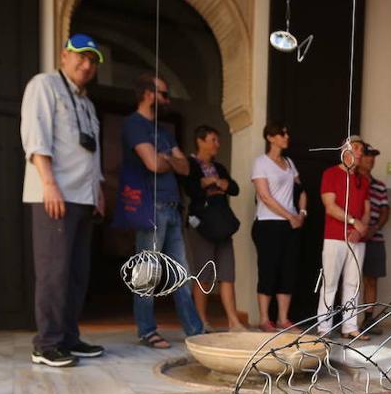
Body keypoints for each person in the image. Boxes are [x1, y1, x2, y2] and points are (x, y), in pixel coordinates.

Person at [19, 34, 107, 367]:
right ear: (64, 56)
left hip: (83, 197)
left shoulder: (87, 103)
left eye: (93, 60)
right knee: (54, 272)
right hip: (55, 194)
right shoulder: (44, 85)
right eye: (81, 56)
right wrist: (48, 184)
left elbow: (91, 153)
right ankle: (46, 343)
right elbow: (36, 137)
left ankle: (69, 337)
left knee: (77, 273)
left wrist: (98, 190)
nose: (87, 65)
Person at [124, 72, 204, 349]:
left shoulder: (165, 132)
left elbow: (186, 168)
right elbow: (153, 165)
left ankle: (195, 330)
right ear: (149, 94)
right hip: (151, 207)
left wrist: (165, 158)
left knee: (182, 273)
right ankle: (147, 330)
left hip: (173, 207)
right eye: (164, 94)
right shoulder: (134, 124)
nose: (167, 100)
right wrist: (169, 159)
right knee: (148, 273)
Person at [184, 124, 245, 332]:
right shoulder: (190, 164)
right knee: (203, 274)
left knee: (227, 273)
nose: (217, 144)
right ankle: (201, 322)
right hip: (202, 225)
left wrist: (217, 183)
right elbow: (190, 189)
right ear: (200, 141)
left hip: (222, 225)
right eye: (213, 140)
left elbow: (233, 188)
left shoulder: (219, 167)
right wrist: (205, 184)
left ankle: (234, 322)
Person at [251, 122, 306, 331]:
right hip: (267, 224)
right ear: (270, 138)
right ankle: (264, 318)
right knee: (268, 269)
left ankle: (283, 319)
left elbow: (301, 190)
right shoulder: (261, 163)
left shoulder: (289, 163)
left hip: (290, 225)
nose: (286, 136)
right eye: (282, 134)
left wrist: (301, 214)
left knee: (288, 270)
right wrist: (289, 216)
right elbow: (264, 196)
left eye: (286, 133)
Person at [317, 137, 371, 338]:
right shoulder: (330, 173)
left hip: (357, 239)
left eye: (362, 149)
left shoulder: (363, 180)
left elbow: (367, 210)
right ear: (344, 150)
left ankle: (350, 327)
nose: (360, 152)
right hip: (335, 237)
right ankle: (324, 328)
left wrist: (360, 228)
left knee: (353, 284)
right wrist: (353, 222)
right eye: (356, 148)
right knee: (330, 283)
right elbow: (330, 206)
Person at [359, 143, 389, 330]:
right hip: (354, 237)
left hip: (375, 238)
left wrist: (375, 227)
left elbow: (385, 210)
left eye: (373, 156)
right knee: (349, 279)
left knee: (371, 279)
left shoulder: (379, 186)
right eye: (367, 155)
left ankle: (368, 319)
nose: (371, 159)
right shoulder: (352, 180)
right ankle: (343, 319)